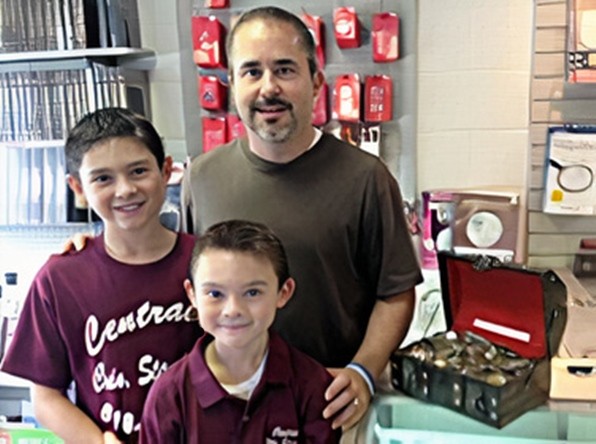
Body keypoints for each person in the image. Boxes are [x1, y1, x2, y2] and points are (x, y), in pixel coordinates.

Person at [181, 6, 423, 431]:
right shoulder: (201, 178)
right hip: (229, 412)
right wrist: (92, 252)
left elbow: (396, 293)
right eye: (252, 72)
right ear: (233, 84)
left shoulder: (365, 178)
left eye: (284, 70)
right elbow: (181, 281)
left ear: (315, 82)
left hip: (329, 407)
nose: (268, 88)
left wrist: (364, 371)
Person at [0, 108, 201, 443]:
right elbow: (46, 396)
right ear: (78, 187)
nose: (125, 190)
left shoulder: (208, 264)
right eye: (103, 178)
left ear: (166, 171)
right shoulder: (59, 279)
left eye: (138, 171)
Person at [139, 219, 341, 443]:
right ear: (192, 294)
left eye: (252, 292)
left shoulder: (312, 385)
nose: (233, 310)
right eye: (215, 294)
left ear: (283, 292)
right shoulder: (169, 396)